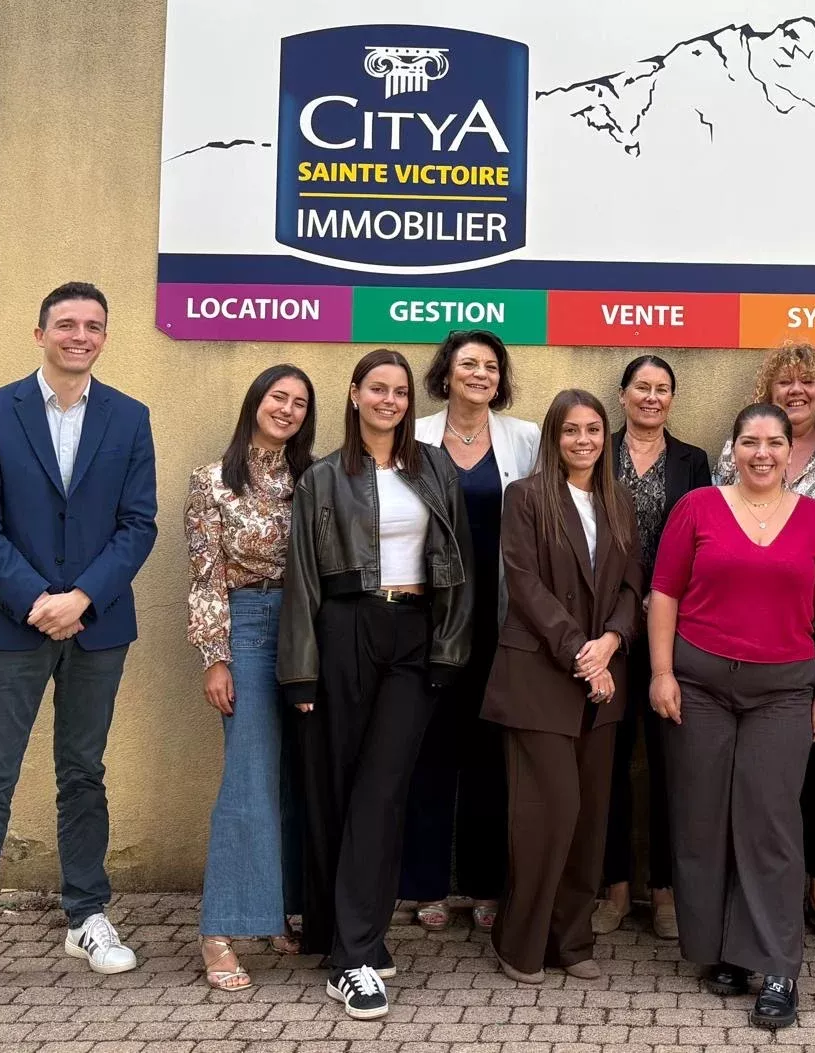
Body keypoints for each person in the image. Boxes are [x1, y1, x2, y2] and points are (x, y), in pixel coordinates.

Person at [0, 282, 158, 1011]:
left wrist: (82, 597)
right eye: (67, 324)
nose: (80, 335)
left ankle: (86, 916)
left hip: (97, 625)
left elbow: (137, 524)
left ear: (105, 337)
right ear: (40, 333)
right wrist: (35, 600)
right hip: (9, 625)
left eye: (93, 325)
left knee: (83, 773)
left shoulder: (130, 417)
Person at [279, 349, 474, 1020]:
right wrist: (299, 670)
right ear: (355, 394)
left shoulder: (435, 468)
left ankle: (355, 951)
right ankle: (345, 940)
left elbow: (459, 565)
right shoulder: (323, 477)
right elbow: (302, 577)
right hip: (343, 629)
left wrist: (450, 645)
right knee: (336, 788)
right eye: (378, 389)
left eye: (400, 391)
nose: (389, 400)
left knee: (382, 788)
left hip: (413, 633)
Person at [653, 403, 815, 1031]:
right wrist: (661, 672)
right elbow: (665, 592)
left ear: (791, 450)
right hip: (698, 686)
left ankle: (778, 965)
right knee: (702, 820)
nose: (761, 453)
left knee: (770, 824)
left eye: (773, 443)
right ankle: (722, 952)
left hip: (784, 691)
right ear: (732, 449)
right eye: (749, 442)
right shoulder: (698, 508)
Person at [713, 341, 815, 948]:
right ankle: (748, 892)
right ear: (769, 390)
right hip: (751, 635)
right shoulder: (736, 452)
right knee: (756, 775)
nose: (797, 390)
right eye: (786, 381)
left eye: (808, 381)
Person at [483, 390, 643, 984]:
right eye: (571, 430)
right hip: (539, 675)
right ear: (554, 437)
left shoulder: (619, 501)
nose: (583, 440)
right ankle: (519, 943)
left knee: (589, 818)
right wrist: (582, 651)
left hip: (603, 678)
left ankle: (572, 943)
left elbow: (632, 584)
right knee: (548, 812)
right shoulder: (525, 497)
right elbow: (525, 585)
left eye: (594, 429)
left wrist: (612, 643)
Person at [402, 330, 540, 934]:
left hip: (501, 617)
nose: (481, 374)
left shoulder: (525, 439)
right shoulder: (414, 437)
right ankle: (424, 885)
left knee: (490, 752)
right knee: (428, 748)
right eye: (469, 364)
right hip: (431, 618)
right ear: (447, 373)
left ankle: (487, 884)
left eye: (491, 366)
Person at [184, 364, 316, 990]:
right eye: (277, 398)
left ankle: (276, 911)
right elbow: (205, 575)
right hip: (248, 628)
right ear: (255, 403)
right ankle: (220, 931)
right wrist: (215, 656)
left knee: (296, 778)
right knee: (249, 777)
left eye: (299, 403)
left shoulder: (311, 479)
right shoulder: (212, 480)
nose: (286, 409)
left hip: (307, 629)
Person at [594, 355, 711, 941]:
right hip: (607, 631)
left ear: (672, 400)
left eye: (662, 389)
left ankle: (664, 889)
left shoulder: (693, 461)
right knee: (609, 761)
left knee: (671, 763)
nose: (651, 397)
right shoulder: (598, 451)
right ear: (622, 396)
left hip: (674, 631)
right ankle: (614, 888)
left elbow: (705, 542)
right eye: (641, 386)